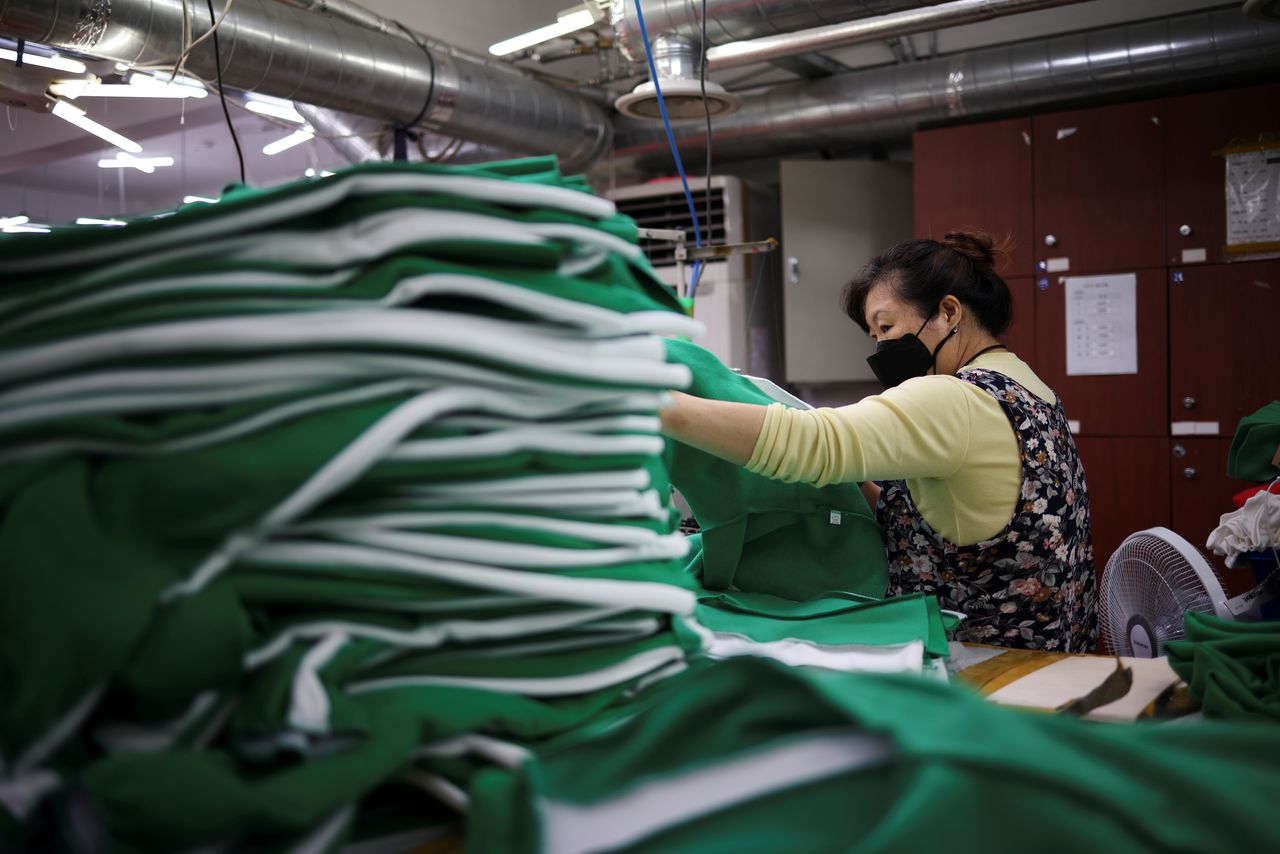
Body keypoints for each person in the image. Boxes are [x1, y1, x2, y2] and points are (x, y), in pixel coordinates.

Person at [660, 231, 1096, 652]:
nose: (881, 346)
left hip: (989, 662)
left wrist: (654, 402)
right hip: (1058, 655)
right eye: (874, 335)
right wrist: (847, 486)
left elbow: (810, 442)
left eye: (886, 326)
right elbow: (950, 510)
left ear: (949, 313)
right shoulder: (1031, 391)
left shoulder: (955, 398)